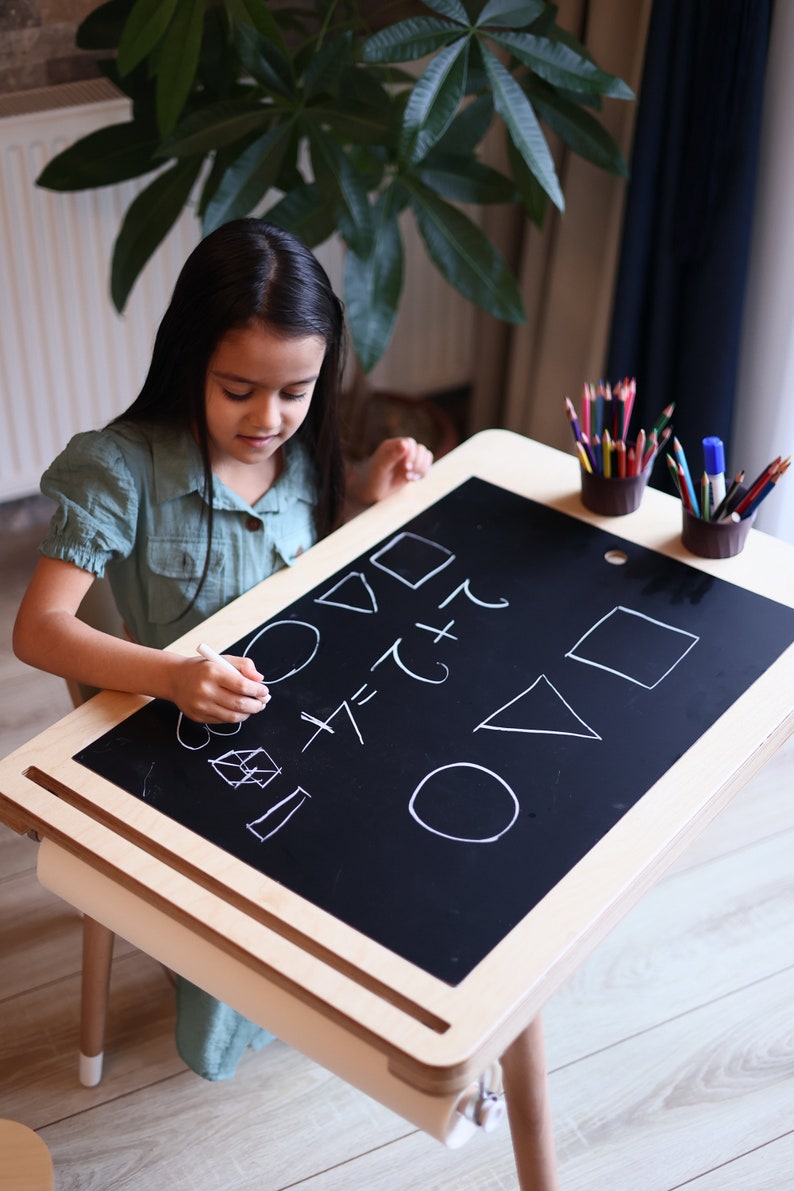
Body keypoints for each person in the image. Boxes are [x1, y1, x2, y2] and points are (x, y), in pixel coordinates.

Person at [13, 218, 433, 1079]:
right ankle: (244, 997)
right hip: (175, 728)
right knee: (263, 875)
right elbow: (39, 630)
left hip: (290, 707)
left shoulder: (302, 455)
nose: (268, 419)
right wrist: (172, 676)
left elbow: (308, 547)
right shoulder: (121, 467)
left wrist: (368, 495)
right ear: (188, 361)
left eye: (295, 391)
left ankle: (348, 986)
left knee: (400, 805)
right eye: (238, 388)